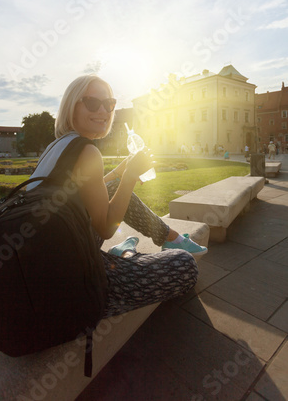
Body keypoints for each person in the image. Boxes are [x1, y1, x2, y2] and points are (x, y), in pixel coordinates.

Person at [28, 75, 206, 318]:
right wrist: (130, 176)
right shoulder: (88, 151)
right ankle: (128, 254)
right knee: (184, 266)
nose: (103, 110)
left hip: (50, 256)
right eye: (92, 103)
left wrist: (119, 173)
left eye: (109, 103)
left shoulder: (58, 145)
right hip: (71, 281)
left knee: (111, 187)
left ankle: (167, 237)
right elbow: (106, 230)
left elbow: (82, 192)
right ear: (72, 105)